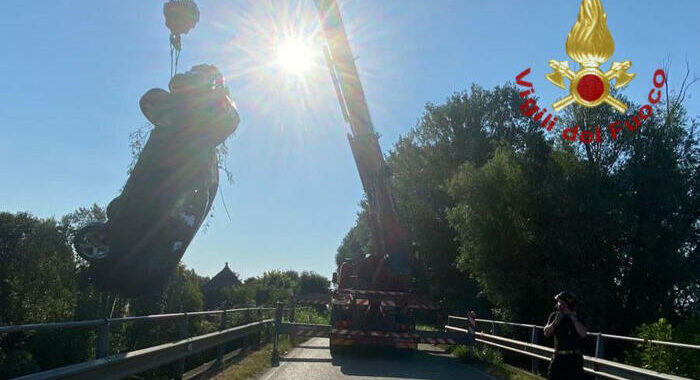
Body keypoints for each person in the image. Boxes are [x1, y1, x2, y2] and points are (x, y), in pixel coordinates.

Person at [543, 290, 587, 380]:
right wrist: (556, 321)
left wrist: (572, 317)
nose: (559, 305)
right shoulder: (554, 316)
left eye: (562, 303)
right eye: (558, 302)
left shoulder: (578, 317)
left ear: (569, 305)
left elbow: (583, 333)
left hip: (574, 359)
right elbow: (546, 333)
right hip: (558, 358)